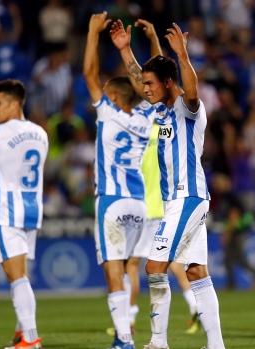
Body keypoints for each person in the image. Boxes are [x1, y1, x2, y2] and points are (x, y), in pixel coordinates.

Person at [110, 19, 225, 349]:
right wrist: (125, 49)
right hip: (182, 200)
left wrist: (184, 56)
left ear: (168, 82)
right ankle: (216, 345)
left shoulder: (188, 110)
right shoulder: (159, 112)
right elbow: (141, 76)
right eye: (143, 84)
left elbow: (190, 90)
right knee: (195, 272)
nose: (144, 89)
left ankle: (158, 342)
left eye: (150, 84)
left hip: (187, 197)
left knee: (154, 266)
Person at [84, 12, 155, 349]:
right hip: (139, 203)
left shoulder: (107, 113)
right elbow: (144, 86)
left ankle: (124, 339)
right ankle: (130, 331)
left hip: (111, 201)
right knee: (130, 268)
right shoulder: (144, 116)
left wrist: (91, 32)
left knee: (113, 270)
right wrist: (127, 52)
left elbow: (88, 72)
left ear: (113, 98)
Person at [0, 79, 48, 349]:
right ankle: (22, 331)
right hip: (32, 211)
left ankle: (31, 338)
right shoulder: (41, 133)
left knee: (16, 277)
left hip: (7, 212)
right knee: (21, 275)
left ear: (14, 104)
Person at [126, 121, 201, 335]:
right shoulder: (166, 131)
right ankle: (195, 305)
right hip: (165, 205)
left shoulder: (136, 133)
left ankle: (129, 320)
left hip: (143, 208)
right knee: (173, 261)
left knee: (132, 265)